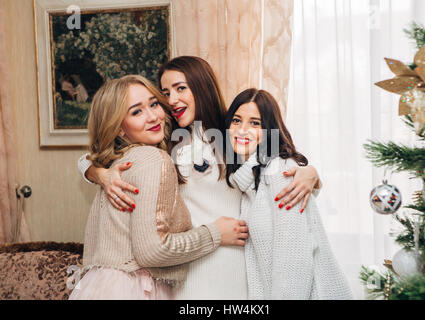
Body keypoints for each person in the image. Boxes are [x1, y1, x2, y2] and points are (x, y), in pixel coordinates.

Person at [77, 56, 322, 299]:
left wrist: (311, 174)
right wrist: (101, 174)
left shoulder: (233, 135)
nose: (172, 100)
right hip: (186, 265)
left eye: (180, 88)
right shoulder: (166, 142)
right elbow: (88, 158)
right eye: (165, 92)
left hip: (234, 266)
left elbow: (278, 162)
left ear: (202, 87)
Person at [69, 75, 248, 300]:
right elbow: (153, 251)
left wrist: (307, 173)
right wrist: (215, 233)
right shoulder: (154, 158)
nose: (154, 115)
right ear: (120, 129)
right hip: (135, 287)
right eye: (137, 112)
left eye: (154, 104)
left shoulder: (123, 159)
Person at [225, 88, 353, 299]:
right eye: (237, 120)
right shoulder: (248, 181)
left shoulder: (280, 169)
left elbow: (294, 262)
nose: (242, 130)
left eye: (255, 123)